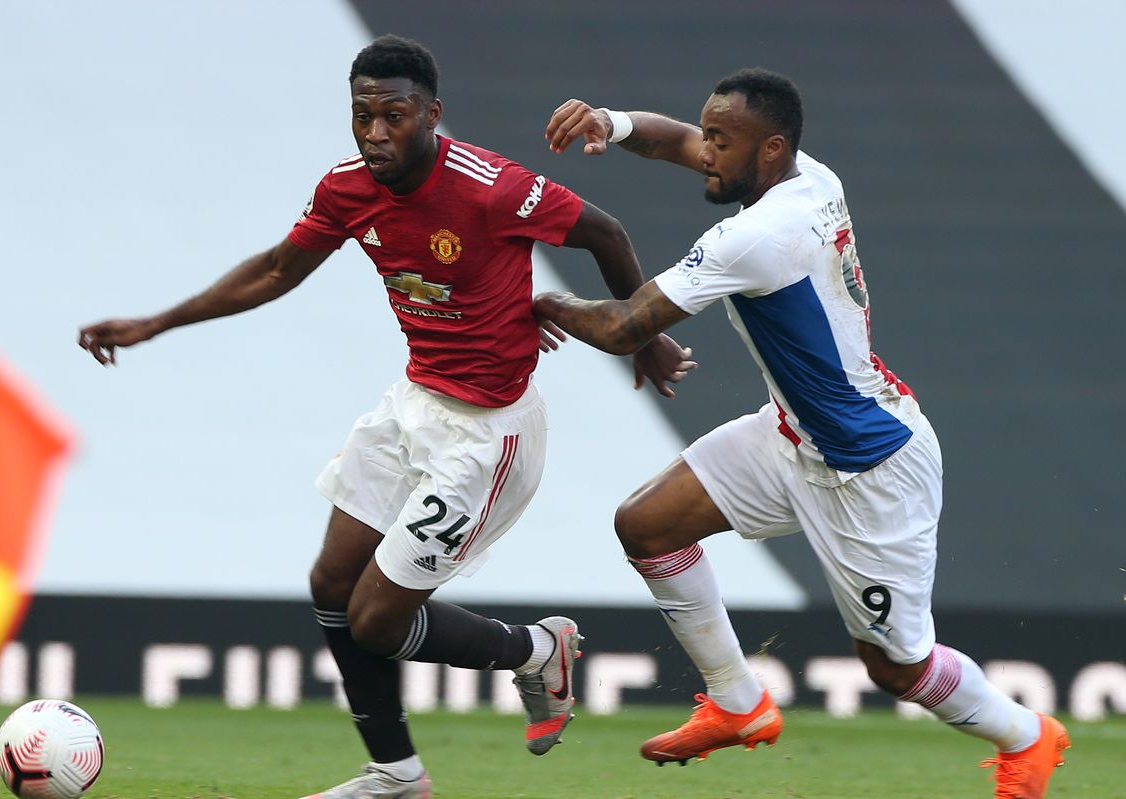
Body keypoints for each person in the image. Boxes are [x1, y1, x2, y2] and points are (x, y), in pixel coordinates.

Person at [78, 35, 693, 799]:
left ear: (431, 115)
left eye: (393, 116)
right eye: (361, 116)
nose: (375, 133)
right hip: (413, 405)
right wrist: (155, 322)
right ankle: (396, 773)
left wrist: (644, 338)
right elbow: (277, 270)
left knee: (375, 620)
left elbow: (606, 232)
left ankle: (537, 649)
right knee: (331, 582)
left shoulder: (492, 187)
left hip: (487, 435)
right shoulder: (347, 189)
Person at [535, 69, 1070, 798]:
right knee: (647, 524)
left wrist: (544, 301)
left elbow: (626, 325)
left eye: (722, 142)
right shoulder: (805, 176)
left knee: (896, 668)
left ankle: (1026, 734)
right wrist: (612, 121)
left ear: (770, 149)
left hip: (869, 467)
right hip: (794, 436)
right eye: (709, 134)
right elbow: (677, 141)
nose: (705, 152)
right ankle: (738, 702)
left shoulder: (755, 236)